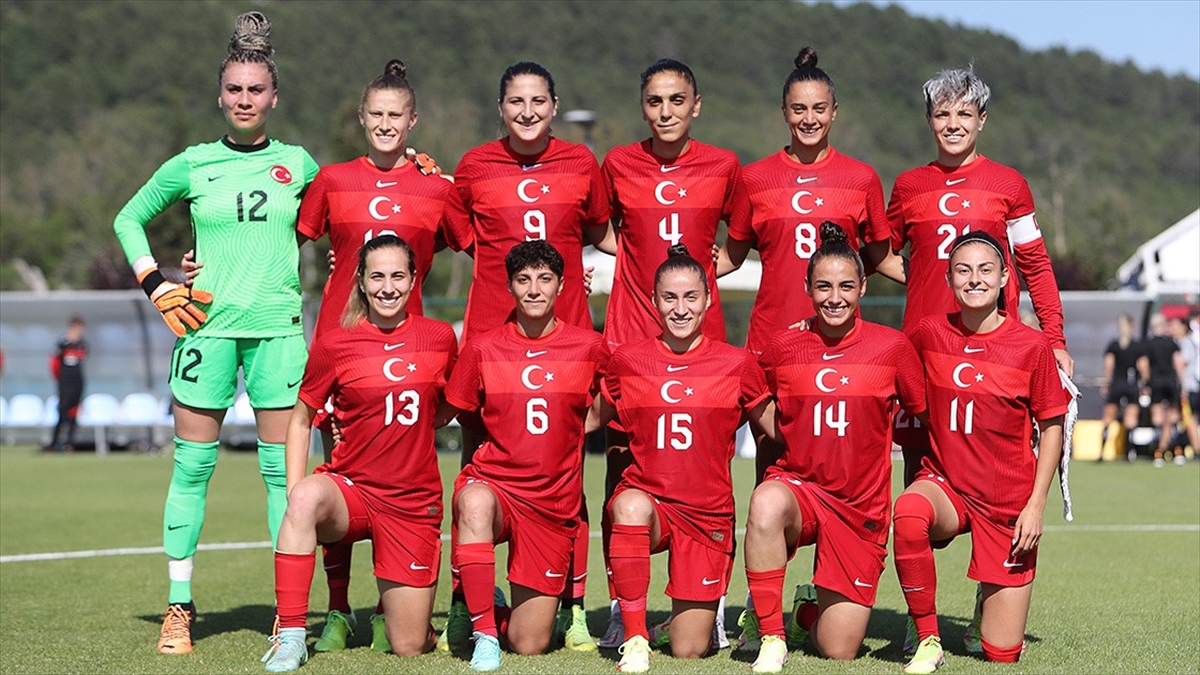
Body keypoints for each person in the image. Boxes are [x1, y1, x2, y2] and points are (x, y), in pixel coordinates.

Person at [112, 11, 319, 654]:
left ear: (275, 97)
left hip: (279, 331)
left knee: (284, 477)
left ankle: (289, 615)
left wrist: (412, 170)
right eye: (235, 89)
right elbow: (127, 219)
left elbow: (345, 209)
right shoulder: (194, 163)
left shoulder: (299, 163)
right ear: (220, 95)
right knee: (192, 467)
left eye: (256, 89)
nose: (245, 99)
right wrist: (157, 283)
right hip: (207, 330)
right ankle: (179, 606)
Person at [293, 58, 471, 654]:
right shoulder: (332, 180)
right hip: (340, 351)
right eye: (376, 114)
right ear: (361, 117)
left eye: (396, 114)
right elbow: (285, 243)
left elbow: (484, 246)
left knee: (401, 475)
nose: (386, 123)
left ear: (413, 120)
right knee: (339, 474)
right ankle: (337, 609)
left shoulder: (435, 188)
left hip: (411, 355)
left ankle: (388, 607)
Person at [441, 60, 612, 652]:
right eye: (516, 101)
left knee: (567, 471)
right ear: (501, 107)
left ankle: (574, 606)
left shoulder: (581, 162)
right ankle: (466, 600)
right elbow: (460, 231)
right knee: (475, 471)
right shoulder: (474, 165)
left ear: (555, 106)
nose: (528, 111)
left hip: (566, 338)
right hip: (491, 337)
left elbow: (601, 232)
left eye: (538, 100)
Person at [597, 58, 743, 651]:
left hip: (700, 341)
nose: (666, 111)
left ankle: (716, 602)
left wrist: (692, 285)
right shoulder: (617, 163)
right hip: (630, 338)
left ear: (696, 105)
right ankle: (620, 606)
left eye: (677, 100)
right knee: (618, 473)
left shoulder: (724, 165)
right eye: (655, 101)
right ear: (642, 106)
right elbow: (601, 231)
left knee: (709, 466)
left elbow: (738, 243)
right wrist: (639, 273)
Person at [260, 234, 458, 672]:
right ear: (362, 283)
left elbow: (451, 405)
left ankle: (397, 617)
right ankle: (290, 637)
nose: (388, 287)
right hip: (352, 492)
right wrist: (295, 496)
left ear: (413, 281)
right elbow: (300, 419)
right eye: (377, 277)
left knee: (409, 645)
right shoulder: (335, 344)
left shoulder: (440, 337)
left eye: (397, 276)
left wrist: (416, 424)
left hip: (411, 501)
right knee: (307, 497)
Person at [741, 223, 926, 672]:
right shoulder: (784, 344)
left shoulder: (892, 347)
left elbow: (923, 413)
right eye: (823, 286)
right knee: (765, 501)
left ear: (863, 286)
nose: (834, 297)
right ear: (807, 288)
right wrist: (783, 430)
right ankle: (771, 637)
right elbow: (751, 385)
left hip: (860, 507)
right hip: (800, 489)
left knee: (838, 648)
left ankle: (806, 612)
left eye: (845, 286)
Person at [716, 47, 902, 481]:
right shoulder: (754, 178)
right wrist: (654, 271)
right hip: (771, 338)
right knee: (771, 464)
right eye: (798, 109)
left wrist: (949, 278)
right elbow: (729, 258)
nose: (809, 118)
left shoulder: (861, 178)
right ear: (784, 112)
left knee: (841, 458)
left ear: (835, 111)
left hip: (840, 342)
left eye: (819, 108)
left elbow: (881, 259)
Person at [589, 245, 774, 672]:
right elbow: (588, 420)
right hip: (650, 505)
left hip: (707, 515)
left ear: (708, 299)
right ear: (653, 300)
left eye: (691, 297)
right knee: (628, 506)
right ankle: (634, 637)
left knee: (690, 647)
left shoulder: (736, 364)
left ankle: (671, 625)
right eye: (669, 297)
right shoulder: (627, 362)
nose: (680, 308)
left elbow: (778, 428)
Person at [892, 231, 1070, 674]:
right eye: (964, 270)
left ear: (1006, 278)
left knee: (1000, 652)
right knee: (909, 511)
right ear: (949, 279)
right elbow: (881, 355)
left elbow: (1052, 428)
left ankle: (985, 604)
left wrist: (1036, 506)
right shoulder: (928, 332)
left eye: (986, 270)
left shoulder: (1031, 346)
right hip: (946, 485)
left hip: (1006, 500)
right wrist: (812, 331)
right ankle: (927, 637)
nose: (975, 279)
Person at [887, 66, 1073, 484]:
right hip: (925, 351)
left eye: (964, 114)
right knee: (920, 477)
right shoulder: (908, 186)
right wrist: (923, 276)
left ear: (982, 120)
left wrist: (1055, 339)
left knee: (999, 470)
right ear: (929, 119)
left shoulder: (1009, 184)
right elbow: (878, 255)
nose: (953, 124)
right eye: (942, 114)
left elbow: (1035, 265)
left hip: (996, 351)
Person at [439, 240, 608, 671]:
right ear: (510, 286)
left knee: (529, 643)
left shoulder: (589, 346)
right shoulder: (482, 348)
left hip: (550, 504)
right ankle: (484, 635)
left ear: (562, 286)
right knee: (474, 502)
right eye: (523, 279)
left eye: (544, 279)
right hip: (496, 487)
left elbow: (617, 396)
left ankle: (492, 606)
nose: (534, 289)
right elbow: (443, 414)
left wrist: (579, 424)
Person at [1138, 313, 1185, 466]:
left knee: (1157, 417)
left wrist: (1146, 382)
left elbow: (1143, 364)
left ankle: (1159, 450)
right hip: (1170, 381)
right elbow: (1178, 363)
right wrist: (1182, 383)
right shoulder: (1171, 343)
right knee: (1172, 416)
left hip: (1156, 382)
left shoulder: (1148, 344)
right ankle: (1175, 449)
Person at [1098, 313, 1142, 461]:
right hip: (1131, 384)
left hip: (1117, 383)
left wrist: (1105, 383)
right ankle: (1130, 452)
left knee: (1107, 418)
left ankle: (1102, 452)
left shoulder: (1114, 345)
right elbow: (1143, 366)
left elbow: (1108, 365)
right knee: (1131, 419)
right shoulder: (1137, 346)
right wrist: (1144, 383)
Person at [47, 316, 88, 453]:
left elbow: (83, 359)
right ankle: (55, 442)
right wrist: (59, 378)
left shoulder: (82, 344)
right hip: (65, 382)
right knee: (63, 411)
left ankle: (70, 443)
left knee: (74, 412)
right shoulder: (63, 343)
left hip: (78, 382)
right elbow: (54, 362)